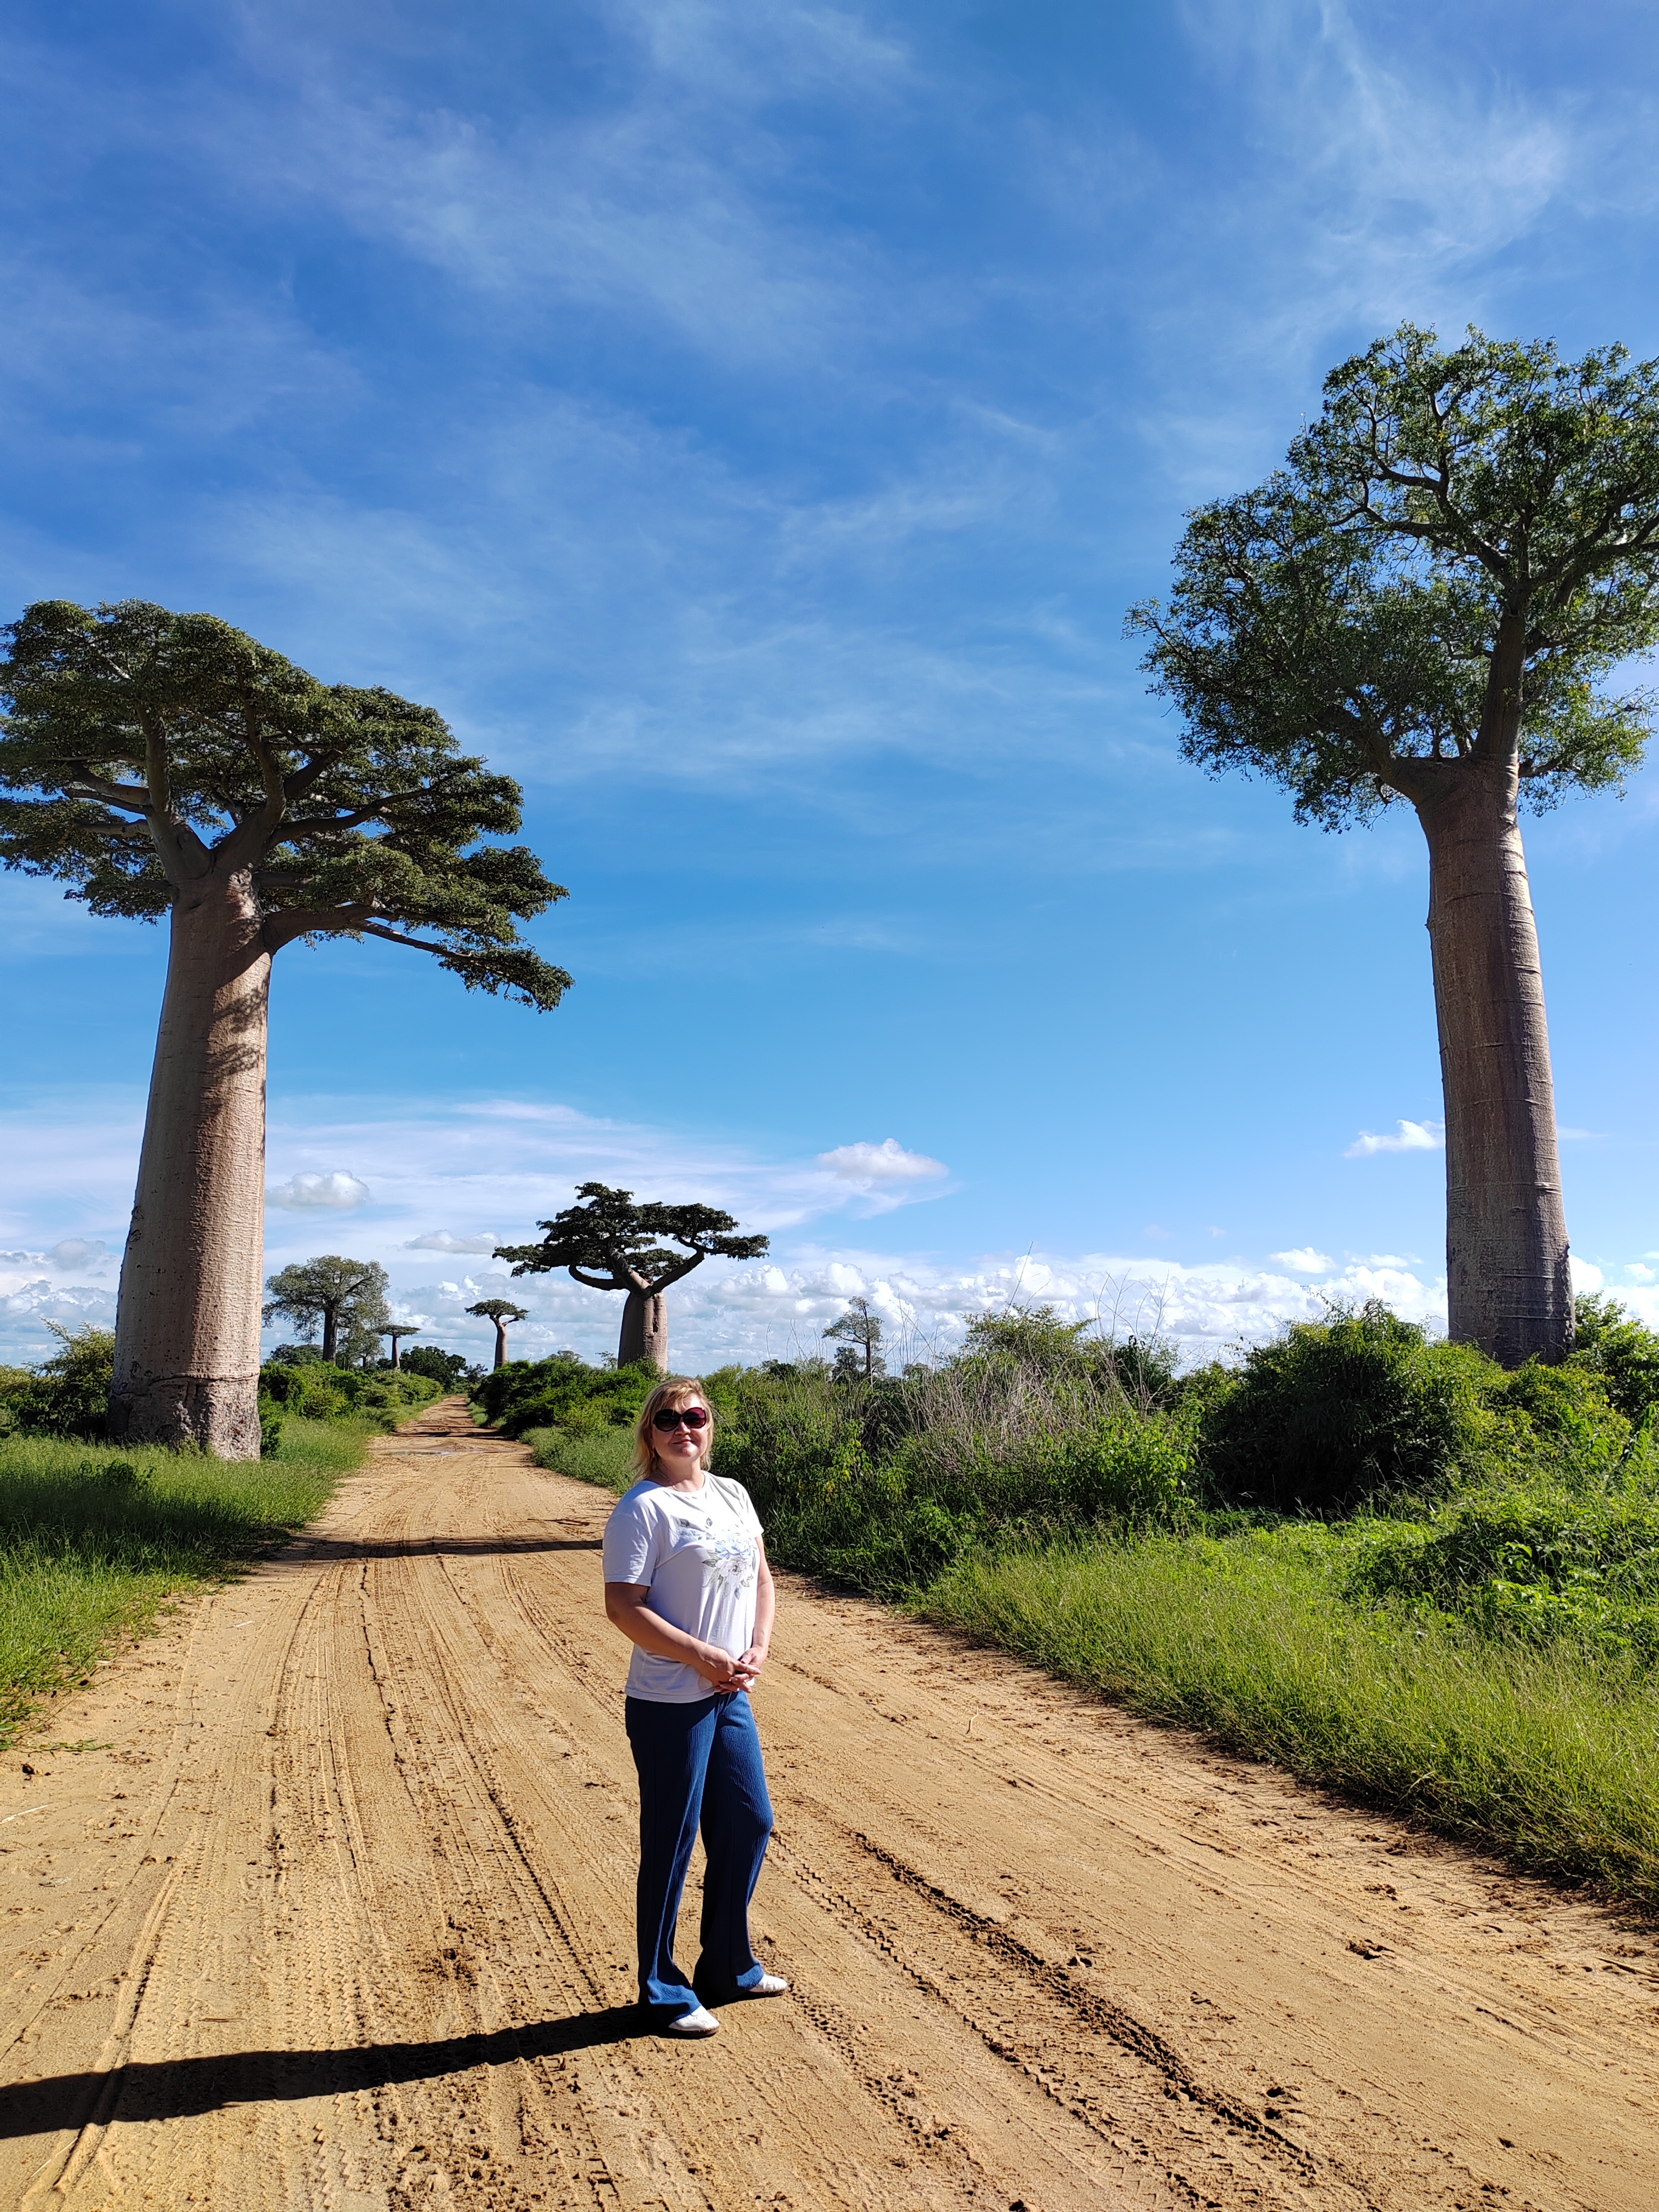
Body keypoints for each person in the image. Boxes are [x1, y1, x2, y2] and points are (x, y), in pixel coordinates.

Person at [601, 1374, 788, 2037]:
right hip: (670, 1697)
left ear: (711, 1426)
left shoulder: (733, 1493)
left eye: (697, 1416)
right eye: (670, 1419)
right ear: (650, 1434)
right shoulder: (642, 1508)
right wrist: (699, 1655)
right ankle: (661, 1989)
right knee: (673, 1841)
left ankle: (729, 1965)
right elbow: (624, 1606)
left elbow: (761, 1576)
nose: (685, 1428)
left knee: (749, 1821)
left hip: (731, 1691)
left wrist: (758, 1644)